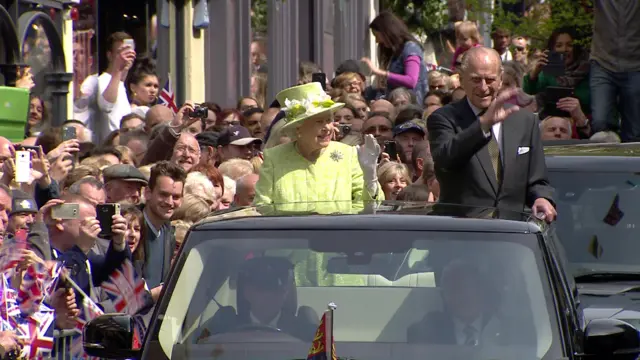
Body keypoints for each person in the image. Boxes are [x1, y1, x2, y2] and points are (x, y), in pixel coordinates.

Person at [427, 47, 556, 221]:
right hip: (462, 232)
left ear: (501, 79)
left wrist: (541, 198)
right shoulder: (444, 118)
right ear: (461, 79)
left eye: (490, 80)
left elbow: (537, 179)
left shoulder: (524, 121)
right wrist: (483, 125)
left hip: (512, 232)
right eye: (475, 80)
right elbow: (445, 159)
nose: (483, 87)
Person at [254, 83, 382, 212]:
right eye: (319, 121)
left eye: (329, 120)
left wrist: (370, 178)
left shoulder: (348, 154)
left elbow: (368, 209)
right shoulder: (274, 158)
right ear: (298, 128)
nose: (327, 128)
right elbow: (262, 207)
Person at [361, 11, 428, 104]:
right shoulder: (395, 53)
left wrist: (380, 72)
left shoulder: (410, 48)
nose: (377, 41)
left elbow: (411, 80)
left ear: (387, 32)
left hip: (411, 108)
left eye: (377, 36)